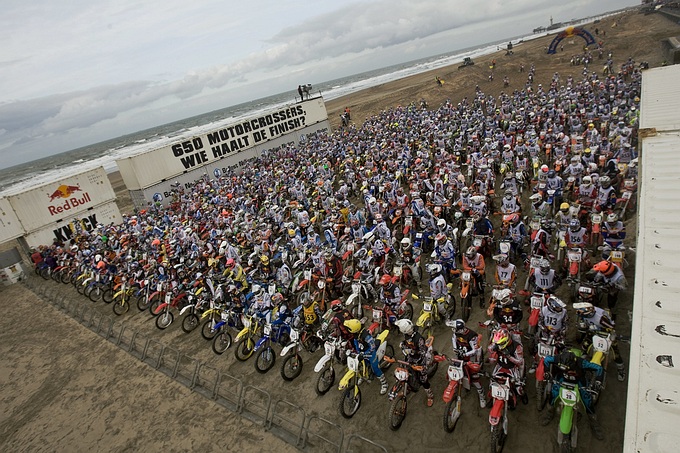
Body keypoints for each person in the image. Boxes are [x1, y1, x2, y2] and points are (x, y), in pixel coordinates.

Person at [541, 350, 604, 440]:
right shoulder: (558, 358)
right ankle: (550, 412)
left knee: (588, 402)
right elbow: (546, 359)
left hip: (579, 382)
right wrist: (547, 372)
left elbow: (599, 368)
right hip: (562, 379)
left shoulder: (581, 363)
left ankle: (594, 423)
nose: (566, 369)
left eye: (568, 367)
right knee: (552, 394)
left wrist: (598, 381)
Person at [575, 302, 626, 381]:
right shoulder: (584, 314)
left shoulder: (600, 318)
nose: (580, 315)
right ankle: (583, 357)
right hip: (593, 331)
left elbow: (611, 327)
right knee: (585, 344)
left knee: (615, 352)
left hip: (606, 331)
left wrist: (610, 334)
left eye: (581, 313)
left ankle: (621, 369)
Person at [446, 319, 487, 407]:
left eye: (455, 329)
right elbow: (453, 339)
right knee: (457, 370)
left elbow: (475, 350)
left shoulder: (472, 336)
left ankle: (481, 394)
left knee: (474, 376)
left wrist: (465, 354)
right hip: (461, 355)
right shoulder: (456, 333)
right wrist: (455, 349)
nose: (453, 330)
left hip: (471, 357)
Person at [394, 319, 435, 406]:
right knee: (405, 373)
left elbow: (423, 352)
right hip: (409, 358)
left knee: (423, 379)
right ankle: (407, 388)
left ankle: (430, 395)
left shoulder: (419, 339)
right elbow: (406, 343)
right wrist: (403, 345)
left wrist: (412, 352)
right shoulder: (406, 335)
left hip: (420, 360)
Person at [344, 319, 388, 394]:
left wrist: (364, 354)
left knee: (375, 368)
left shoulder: (366, 336)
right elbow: (356, 344)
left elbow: (372, 347)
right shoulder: (356, 334)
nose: (348, 330)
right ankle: (362, 375)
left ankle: (384, 383)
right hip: (362, 351)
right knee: (359, 364)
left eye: (349, 329)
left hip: (370, 352)